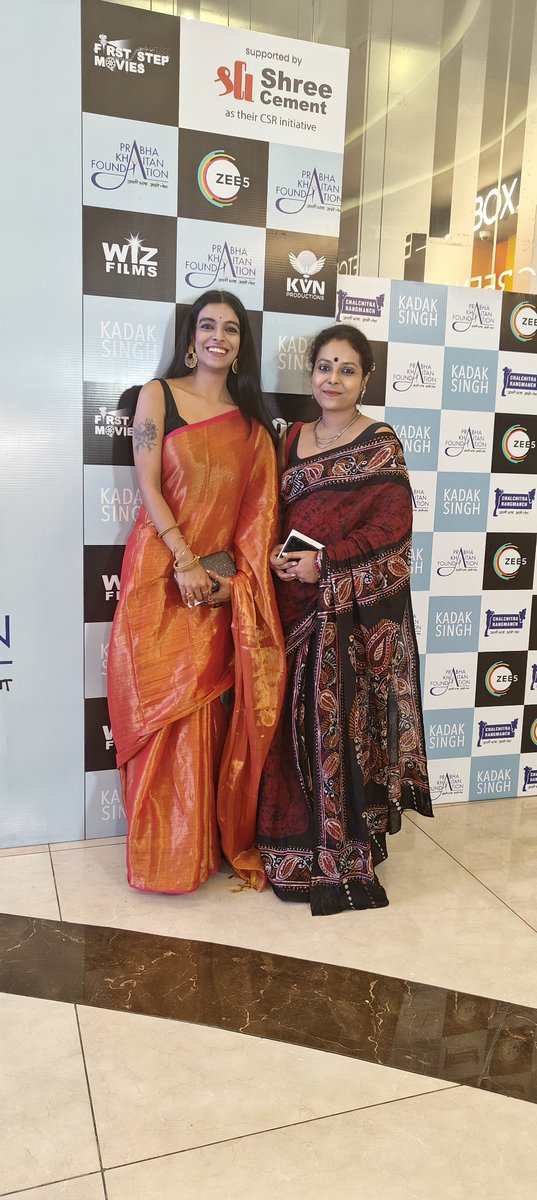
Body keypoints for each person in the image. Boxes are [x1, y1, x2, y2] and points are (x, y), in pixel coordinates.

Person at [107, 290, 285, 895]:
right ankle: (161, 857)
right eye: (207, 326)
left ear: (241, 345)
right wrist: (183, 559)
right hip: (159, 575)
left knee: (203, 714)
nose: (218, 337)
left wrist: (229, 584)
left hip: (212, 586)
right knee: (158, 711)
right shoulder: (157, 396)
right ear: (189, 337)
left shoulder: (253, 427)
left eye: (231, 329)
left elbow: (254, 525)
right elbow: (148, 483)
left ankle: (198, 851)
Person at [257, 323, 432, 916]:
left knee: (337, 730)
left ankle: (338, 852)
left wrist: (326, 566)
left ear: (364, 378)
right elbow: (271, 515)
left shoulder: (380, 442)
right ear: (311, 373)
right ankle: (288, 850)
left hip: (344, 618)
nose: (333, 378)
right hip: (290, 610)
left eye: (347, 369)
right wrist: (280, 560)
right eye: (324, 366)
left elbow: (392, 532)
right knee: (285, 727)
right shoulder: (289, 439)